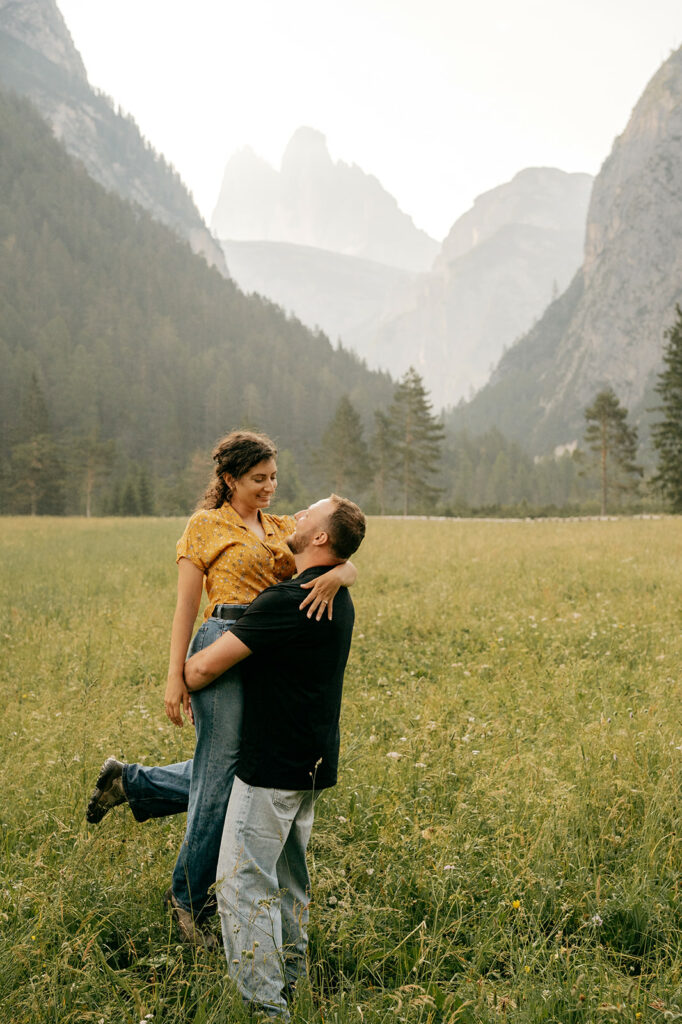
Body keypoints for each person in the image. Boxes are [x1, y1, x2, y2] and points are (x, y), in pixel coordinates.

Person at [86, 431, 355, 947]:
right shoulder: (204, 527)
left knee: (233, 767)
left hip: (261, 651)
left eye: (274, 477)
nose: (270, 488)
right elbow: (186, 606)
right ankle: (187, 899)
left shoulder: (280, 526)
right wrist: (174, 676)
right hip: (221, 639)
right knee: (223, 769)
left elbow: (337, 546)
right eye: (259, 479)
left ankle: (131, 782)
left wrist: (339, 576)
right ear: (230, 480)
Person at [183, 493, 366, 1019]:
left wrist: (186, 681)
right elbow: (344, 563)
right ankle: (294, 981)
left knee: (241, 883)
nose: (296, 515)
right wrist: (343, 573)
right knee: (288, 882)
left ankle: (267, 1009)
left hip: (270, 769)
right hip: (312, 763)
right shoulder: (332, 594)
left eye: (307, 515)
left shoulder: (286, 602)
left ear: (319, 539)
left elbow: (201, 671)